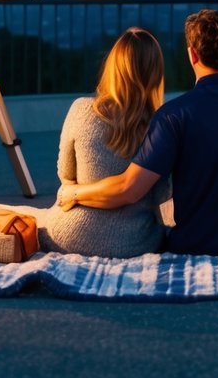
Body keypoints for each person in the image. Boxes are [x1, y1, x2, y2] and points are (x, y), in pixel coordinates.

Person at [58, 9, 218, 258]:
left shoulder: (173, 116)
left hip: (195, 244)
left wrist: (73, 193)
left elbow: (130, 188)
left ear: (192, 55)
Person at [38, 27, 171, 257]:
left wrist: (81, 191)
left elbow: (66, 174)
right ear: (155, 73)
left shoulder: (80, 109)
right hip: (134, 244)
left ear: (113, 66)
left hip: (71, 235)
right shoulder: (160, 126)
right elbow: (160, 193)